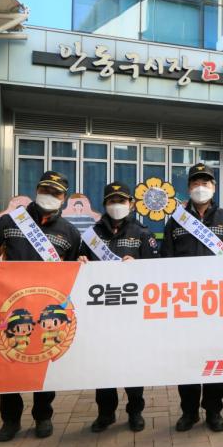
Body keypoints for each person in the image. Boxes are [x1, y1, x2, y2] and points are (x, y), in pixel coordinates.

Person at [0, 171, 81, 442]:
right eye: (45, 190)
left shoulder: (69, 231)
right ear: (37, 191)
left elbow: (75, 267)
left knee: (43, 360)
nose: (49, 196)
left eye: (55, 192)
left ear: (64, 198)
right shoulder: (11, 221)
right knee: (10, 361)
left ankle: (43, 416)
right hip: (12, 306)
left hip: (47, 308)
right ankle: (10, 420)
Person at [160, 163, 223, 433]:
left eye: (205, 183)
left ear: (214, 187)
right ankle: (189, 412)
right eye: (196, 183)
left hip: (217, 304)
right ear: (188, 188)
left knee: (215, 359)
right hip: (184, 305)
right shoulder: (175, 220)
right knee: (186, 360)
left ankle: (213, 411)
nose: (201, 187)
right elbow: (165, 261)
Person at [78, 182, 158, 433]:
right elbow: (77, 267)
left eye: (121, 201)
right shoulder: (91, 235)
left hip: (132, 313)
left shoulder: (142, 233)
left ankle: (135, 411)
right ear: (105, 205)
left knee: (132, 365)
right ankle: (106, 413)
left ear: (131, 204)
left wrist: (138, 264)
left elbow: (156, 269)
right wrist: (80, 261)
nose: (117, 205)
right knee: (103, 366)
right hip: (101, 313)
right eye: (112, 201)